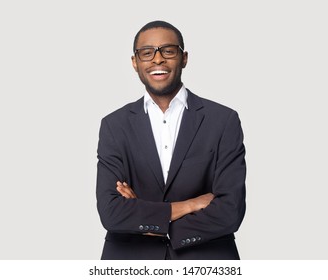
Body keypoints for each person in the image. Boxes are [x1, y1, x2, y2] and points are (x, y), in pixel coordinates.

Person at [96, 20, 246, 260]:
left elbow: (231, 210)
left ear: (184, 58)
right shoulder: (114, 125)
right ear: (135, 63)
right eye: (147, 53)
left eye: (168, 51)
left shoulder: (223, 120)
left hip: (206, 260)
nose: (158, 59)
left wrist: (150, 222)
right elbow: (111, 212)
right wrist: (190, 205)